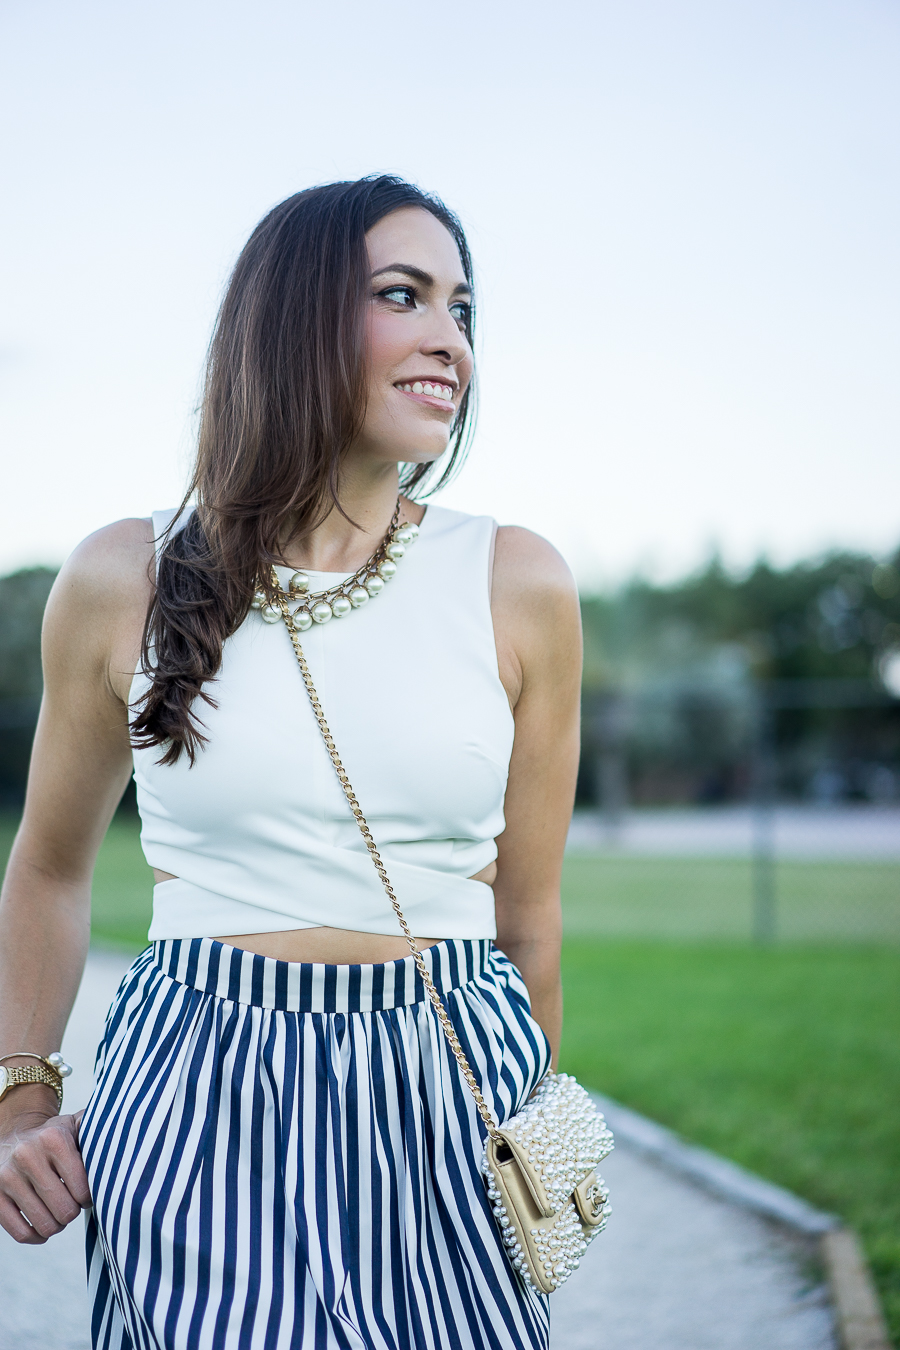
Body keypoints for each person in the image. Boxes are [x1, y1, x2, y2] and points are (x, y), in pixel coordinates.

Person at [0, 176, 582, 1350]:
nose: (449, 341)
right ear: (292, 319)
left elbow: (528, 924)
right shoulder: (126, 577)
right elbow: (51, 871)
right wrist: (21, 1102)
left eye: (462, 309)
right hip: (196, 1081)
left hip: (451, 1080)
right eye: (404, 296)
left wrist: (540, 1162)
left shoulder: (519, 582)